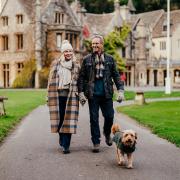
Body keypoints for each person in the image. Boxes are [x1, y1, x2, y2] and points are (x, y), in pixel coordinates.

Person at [78, 35, 124, 153]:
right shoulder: (87, 59)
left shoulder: (110, 59)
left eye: (96, 43)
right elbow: (81, 77)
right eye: (93, 44)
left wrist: (120, 91)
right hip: (92, 94)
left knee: (109, 116)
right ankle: (96, 142)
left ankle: (107, 133)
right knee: (94, 119)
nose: (94, 46)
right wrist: (81, 92)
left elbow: (116, 76)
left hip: (107, 93)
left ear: (102, 44)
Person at [47, 40, 80, 154]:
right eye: (66, 51)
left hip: (71, 96)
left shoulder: (76, 65)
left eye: (70, 51)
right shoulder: (56, 64)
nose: (68, 53)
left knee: (69, 120)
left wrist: (81, 93)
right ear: (62, 52)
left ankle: (66, 145)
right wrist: (48, 94)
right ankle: (61, 136)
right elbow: (50, 80)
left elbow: (80, 81)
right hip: (58, 95)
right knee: (60, 119)